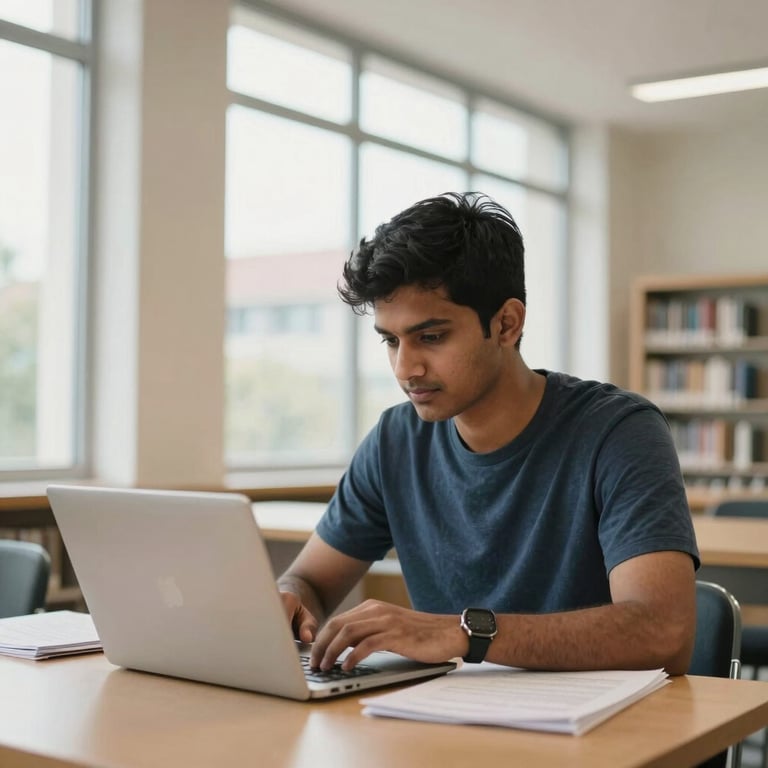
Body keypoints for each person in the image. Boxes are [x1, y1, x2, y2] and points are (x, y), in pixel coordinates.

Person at [278, 191, 699, 676]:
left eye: (431, 337)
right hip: (443, 724)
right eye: (391, 341)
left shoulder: (619, 433)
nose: (405, 367)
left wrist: (461, 633)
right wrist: (290, 598)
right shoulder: (395, 440)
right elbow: (309, 578)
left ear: (506, 324)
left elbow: (662, 633)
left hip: (596, 732)